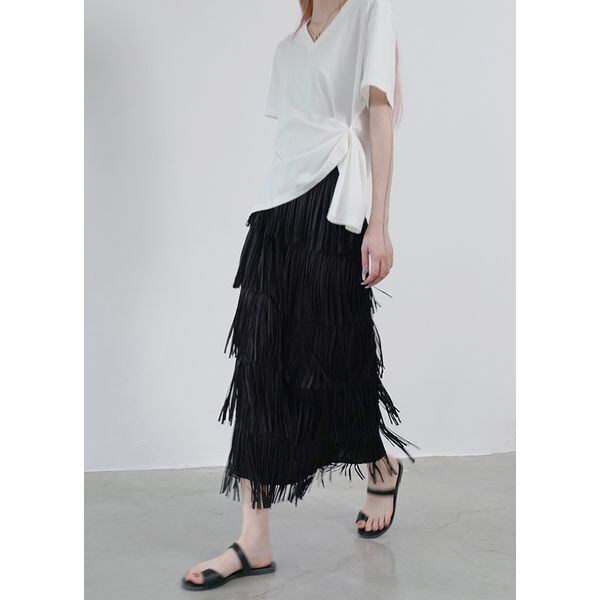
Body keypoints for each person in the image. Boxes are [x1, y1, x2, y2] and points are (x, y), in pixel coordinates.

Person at [183, 0, 414, 591]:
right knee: (259, 363)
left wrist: (380, 223)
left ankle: (379, 465)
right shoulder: (289, 48)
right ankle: (253, 538)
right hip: (276, 213)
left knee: (334, 357)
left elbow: (379, 112)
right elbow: (290, 136)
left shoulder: (369, 12)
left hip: (334, 207)